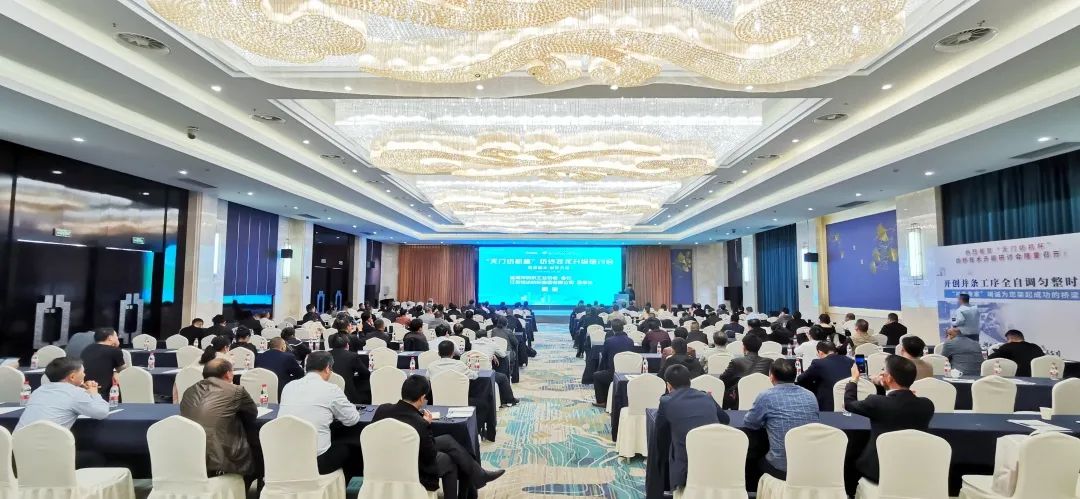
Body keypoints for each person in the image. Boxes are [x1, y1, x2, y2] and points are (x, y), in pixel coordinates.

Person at [372, 375, 505, 499]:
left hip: (382, 462)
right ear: (421, 398)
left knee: (447, 440)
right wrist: (426, 423)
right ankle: (476, 478)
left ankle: (479, 474)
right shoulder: (420, 423)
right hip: (410, 466)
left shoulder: (382, 409)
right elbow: (429, 455)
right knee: (449, 460)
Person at [844, 356, 934, 483]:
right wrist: (882, 384)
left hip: (878, 471)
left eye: (883, 371)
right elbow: (895, 403)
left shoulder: (876, 403)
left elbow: (849, 403)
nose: (881, 374)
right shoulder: (927, 405)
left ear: (890, 378)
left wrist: (854, 379)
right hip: (912, 469)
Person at [278, 351, 361, 476]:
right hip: (316, 462)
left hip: (286, 457)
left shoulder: (288, 387)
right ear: (327, 368)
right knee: (350, 447)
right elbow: (352, 419)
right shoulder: (331, 389)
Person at [15, 358, 110, 466]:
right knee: (96, 458)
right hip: (47, 457)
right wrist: (94, 393)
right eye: (83, 372)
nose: (84, 374)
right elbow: (102, 412)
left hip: (18, 453)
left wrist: (80, 389)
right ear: (72, 377)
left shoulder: (38, 391)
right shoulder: (76, 393)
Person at [180, 358, 261, 482]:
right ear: (228, 374)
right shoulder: (236, 391)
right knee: (256, 442)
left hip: (190, 453)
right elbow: (251, 415)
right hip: (220, 456)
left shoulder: (189, 391)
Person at [653, 364, 729, 490]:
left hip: (686, 469)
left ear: (668, 385)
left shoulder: (666, 401)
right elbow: (725, 420)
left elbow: (660, 433)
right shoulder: (706, 396)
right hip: (715, 460)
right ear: (690, 381)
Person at [745, 359, 820, 479]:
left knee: (752, 460)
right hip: (808, 464)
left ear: (771, 377)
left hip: (781, 467)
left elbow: (750, 423)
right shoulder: (810, 395)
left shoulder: (766, 396)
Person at [716, 335, 773, 409]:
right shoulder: (769, 362)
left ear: (744, 347)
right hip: (763, 401)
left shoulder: (736, 362)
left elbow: (723, 379)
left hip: (740, 400)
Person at [795, 341, 854, 411]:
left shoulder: (818, 363)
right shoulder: (850, 361)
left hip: (828, 406)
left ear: (820, 352)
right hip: (849, 402)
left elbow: (801, 379)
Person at [592, 319, 635, 406]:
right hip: (630, 373)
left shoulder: (609, 341)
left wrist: (601, 369)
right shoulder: (630, 341)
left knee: (596, 375)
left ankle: (601, 401)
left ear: (612, 328)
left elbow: (604, 357)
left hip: (613, 373)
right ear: (623, 327)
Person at [80, 327, 127, 399]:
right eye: (116, 336)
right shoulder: (114, 350)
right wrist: (115, 372)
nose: (118, 337)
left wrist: (114, 372)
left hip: (84, 389)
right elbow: (124, 371)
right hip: (102, 394)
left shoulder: (87, 348)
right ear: (110, 338)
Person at [328, 332, 370, 404]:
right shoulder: (352, 356)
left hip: (328, 393)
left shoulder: (325, 355)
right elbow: (366, 373)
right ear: (347, 345)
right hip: (347, 395)